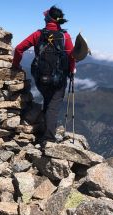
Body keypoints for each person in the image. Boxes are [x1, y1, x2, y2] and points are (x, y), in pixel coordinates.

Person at [12, 5, 76, 143]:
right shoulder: (65, 36)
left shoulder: (38, 34)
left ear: (47, 19)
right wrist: (71, 70)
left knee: (48, 100)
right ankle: (48, 139)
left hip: (41, 78)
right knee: (53, 105)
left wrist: (15, 66)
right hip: (59, 79)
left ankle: (44, 131)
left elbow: (18, 49)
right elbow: (72, 56)